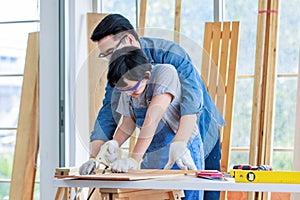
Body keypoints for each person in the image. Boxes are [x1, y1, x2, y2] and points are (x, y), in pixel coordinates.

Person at [79, 14, 225, 200]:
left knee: (205, 189)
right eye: (105, 55)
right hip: (155, 145)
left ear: (129, 40)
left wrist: (179, 143)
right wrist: (96, 157)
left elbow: (191, 102)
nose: (109, 60)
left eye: (110, 52)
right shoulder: (120, 73)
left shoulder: (170, 56)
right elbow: (110, 111)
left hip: (198, 125)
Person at [101, 46, 204, 199]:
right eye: (124, 90)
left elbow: (152, 119)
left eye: (133, 88)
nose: (130, 94)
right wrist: (114, 143)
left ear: (146, 76)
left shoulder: (165, 73)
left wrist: (133, 159)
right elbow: (128, 123)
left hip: (180, 149)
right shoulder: (128, 87)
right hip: (151, 152)